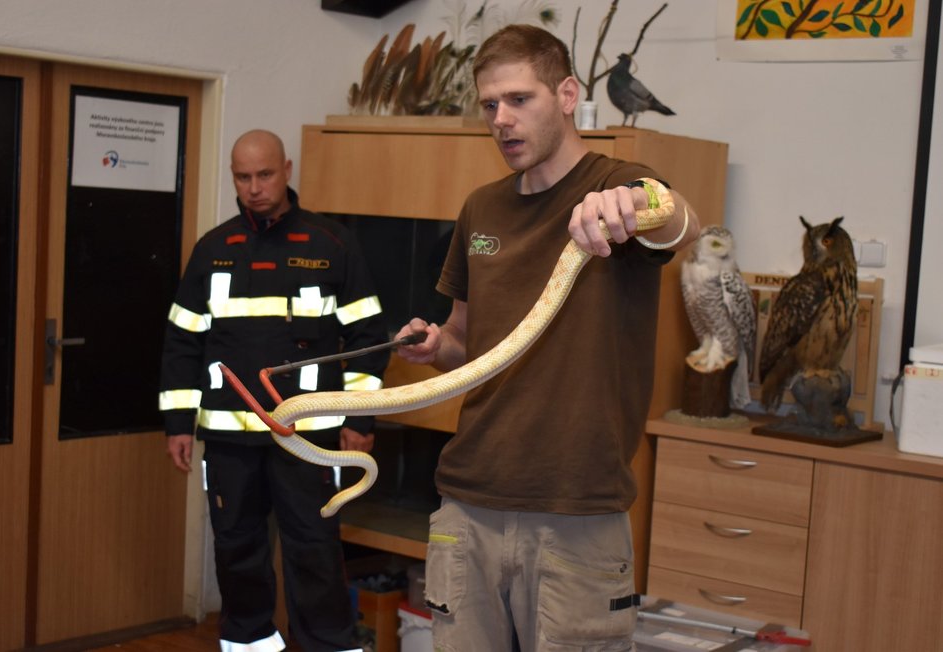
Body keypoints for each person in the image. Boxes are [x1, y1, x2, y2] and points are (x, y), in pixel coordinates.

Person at [395, 25, 700, 651]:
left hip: (575, 511)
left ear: (566, 94)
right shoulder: (481, 208)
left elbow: (681, 222)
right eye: (489, 105)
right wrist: (435, 349)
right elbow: (465, 342)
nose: (501, 120)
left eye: (519, 100)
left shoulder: (619, 184)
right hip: (467, 500)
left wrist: (637, 205)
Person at [159, 129, 389, 651]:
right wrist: (178, 424)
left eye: (265, 174)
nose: (255, 187)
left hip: (308, 438)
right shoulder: (213, 249)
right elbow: (182, 342)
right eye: (243, 177)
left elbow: (368, 337)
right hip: (228, 440)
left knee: (315, 550)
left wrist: (359, 420)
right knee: (237, 552)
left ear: (286, 169)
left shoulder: (332, 245)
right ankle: (248, 645)